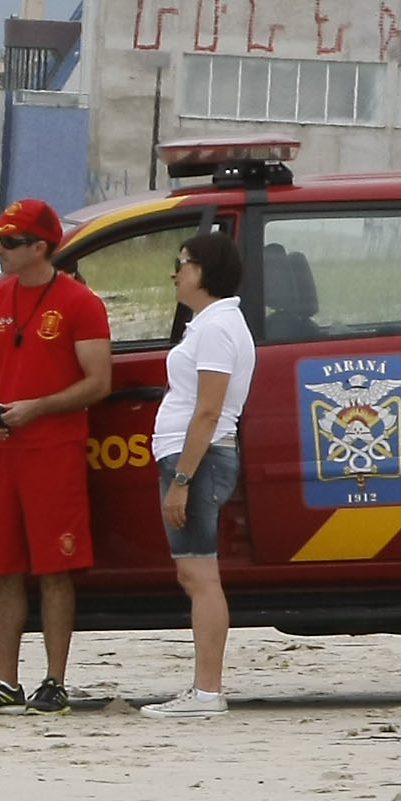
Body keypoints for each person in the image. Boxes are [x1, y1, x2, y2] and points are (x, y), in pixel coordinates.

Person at [0, 197, 113, 714]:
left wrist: (37, 408)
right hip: (3, 451)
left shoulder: (80, 303)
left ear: (39, 248)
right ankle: (5, 680)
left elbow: (98, 382)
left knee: (55, 569)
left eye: (9, 241)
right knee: (2, 568)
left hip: (54, 451)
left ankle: (54, 680)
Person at [141, 228, 254, 720]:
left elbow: (208, 411)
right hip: (192, 457)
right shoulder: (210, 324)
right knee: (195, 572)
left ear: (205, 271)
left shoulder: (216, 328)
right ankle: (205, 689)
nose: (175, 273)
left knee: (200, 574)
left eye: (182, 263)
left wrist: (182, 481)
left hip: (199, 459)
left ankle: (207, 691)